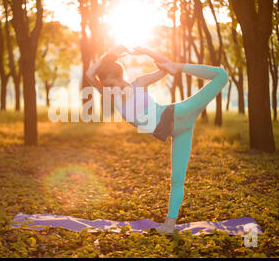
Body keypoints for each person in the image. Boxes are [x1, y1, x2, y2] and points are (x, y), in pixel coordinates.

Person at [86, 45, 229, 233]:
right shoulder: (112, 96)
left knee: (221, 75)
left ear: (121, 77)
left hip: (177, 114)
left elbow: (165, 68)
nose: (111, 89)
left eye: (113, 84)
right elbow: (89, 74)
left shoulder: (139, 84)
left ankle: (182, 65)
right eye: (107, 87)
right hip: (179, 132)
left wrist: (147, 51)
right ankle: (169, 224)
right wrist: (110, 54)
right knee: (177, 179)